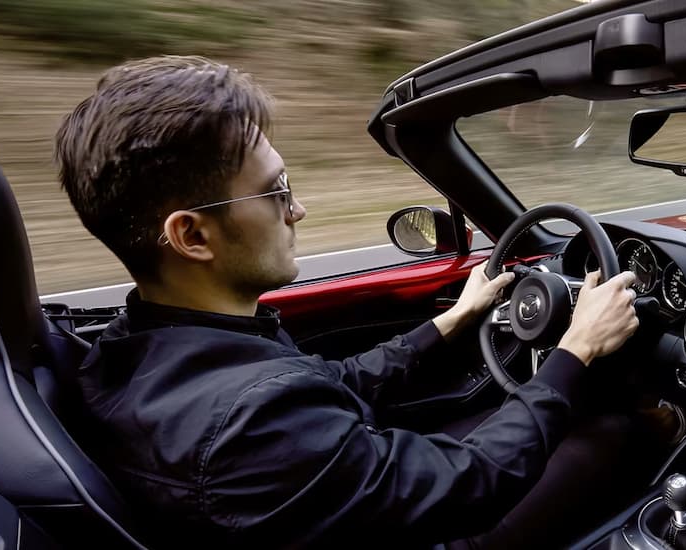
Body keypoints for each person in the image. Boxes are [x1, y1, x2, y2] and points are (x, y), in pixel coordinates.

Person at [56, 56, 643, 549]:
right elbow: (470, 484)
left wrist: (455, 317)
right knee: (610, 431)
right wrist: (577, 348)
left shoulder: (134, 348)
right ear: (192, 236)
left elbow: (322, 383)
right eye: (276, 191)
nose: (298, 210)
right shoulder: (248, 426)